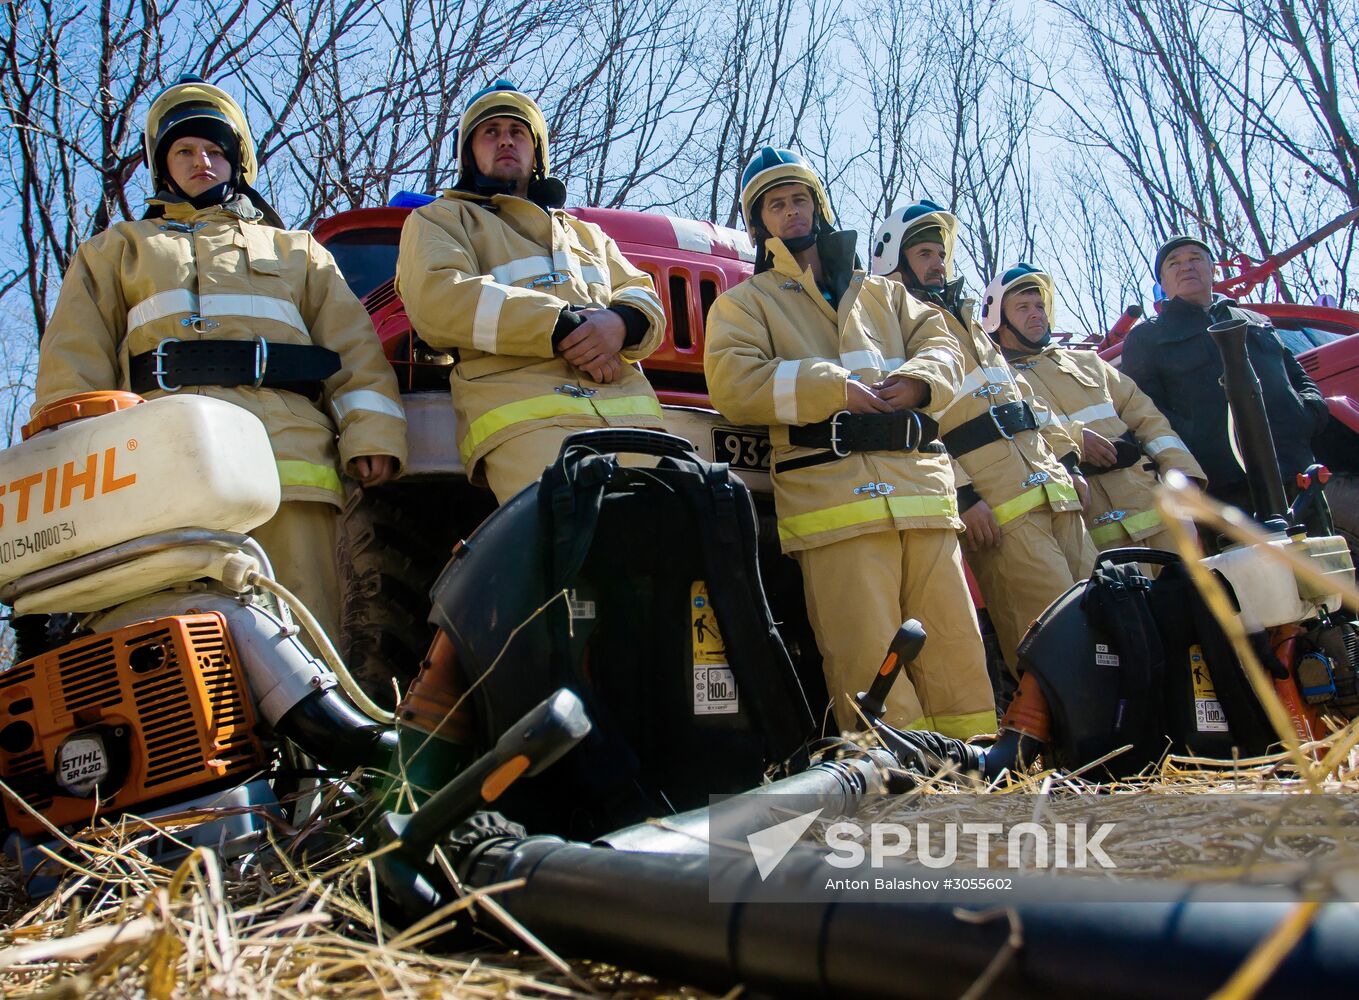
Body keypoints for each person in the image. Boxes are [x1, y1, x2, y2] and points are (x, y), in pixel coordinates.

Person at [34, 75, 407, 644]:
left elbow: (353, 349)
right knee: (172, 635)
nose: (202, 162)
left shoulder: (296, 252)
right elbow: (74, 359)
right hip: (159, 463)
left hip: (289, 462)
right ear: (164, 165)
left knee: (302, 631)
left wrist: (372, 434)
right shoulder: (117, 250)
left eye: (215, 151)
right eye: (185, 150)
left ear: (237, 164)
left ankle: (308, 737)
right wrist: (74, 472)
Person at [705, 149, 995, 738]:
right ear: (760, 223)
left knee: (955, 649)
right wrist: (832, 388)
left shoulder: (884, 295)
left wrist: (920, 380)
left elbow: (946, 345)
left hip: (922, 496)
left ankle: (974, 774)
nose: (791, 213)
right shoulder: (745, 303)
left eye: (799, 199)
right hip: (834, 504)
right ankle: (894, 786)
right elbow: (733, 383)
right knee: (865, 654)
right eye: (775, 204)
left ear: (819, 205)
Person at [395, 80, 666, 501]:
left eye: (517, 131)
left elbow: (642, 292)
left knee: (681, 555)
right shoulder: (441, 220)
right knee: (572, 551)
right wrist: (562, 327)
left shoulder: (587, 234)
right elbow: (439, 299)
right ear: (470, 153)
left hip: (638, 424)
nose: (505, 140)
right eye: (491, 131)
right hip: (525, 423)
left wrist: (621, 322)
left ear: (536, 151)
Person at [870, 203, 1096, 674]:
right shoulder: (896, 325)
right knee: (1052, 637)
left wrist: (1069, 462)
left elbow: (1027, 400)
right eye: (925, 253)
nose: (937, 263)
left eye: (941, 253)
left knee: (1101, 617)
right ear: (895, 260)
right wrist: (963, 493)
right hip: (999, 510)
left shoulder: (970, 320)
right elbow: (918, 420)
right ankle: (1061, 742)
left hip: (1055, 493)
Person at [979, 263, 1205, 552]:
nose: (1036, 313)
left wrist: (1182, 475)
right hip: (1087, 535)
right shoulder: (996, 383)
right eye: (1022, 307)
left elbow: (1150, 422)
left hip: (1158, 515)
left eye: (1039, 305)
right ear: (999, 320)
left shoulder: (1089, 363)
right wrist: (1074, 441)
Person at [1121, 235, 1331, 538]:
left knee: (1325, 567)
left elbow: (1294, 372)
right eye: (1174, 263)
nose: (1186, 267)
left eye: (1195, 258)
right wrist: (1195, 439)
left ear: (1212, 269)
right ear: (1162, 283)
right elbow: (1143, 408)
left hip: (1294, 472)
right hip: (1225, 489)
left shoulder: (1256, 321)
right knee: (1258, 579)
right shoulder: (1147, 339)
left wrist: (1309, 411)